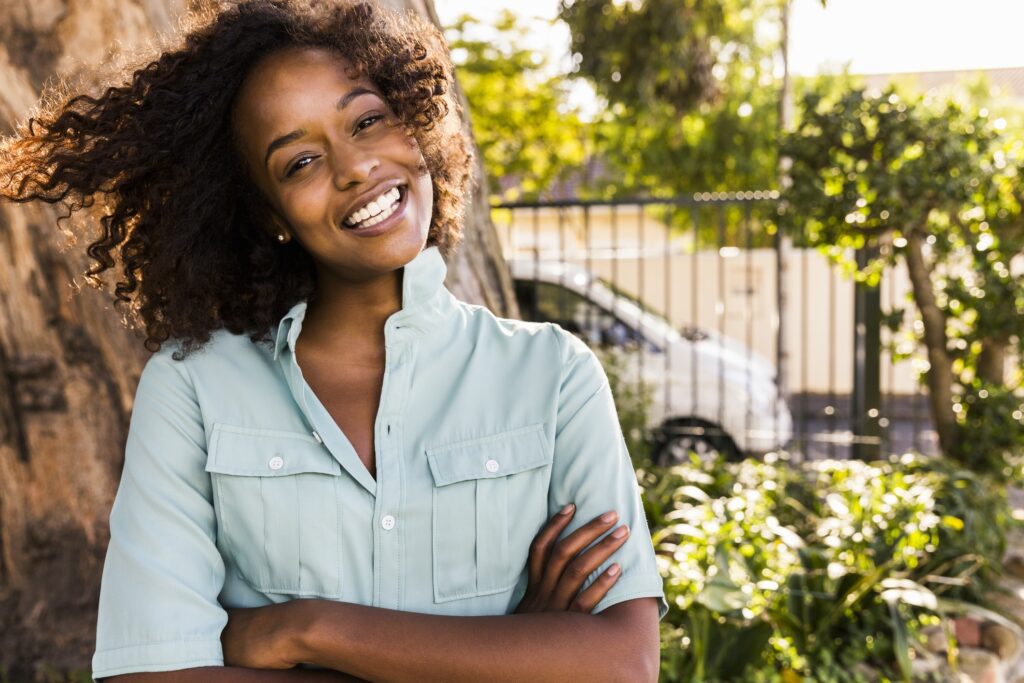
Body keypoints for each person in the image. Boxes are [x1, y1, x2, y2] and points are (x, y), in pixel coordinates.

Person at [0, 0, 668, 680]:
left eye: (368, 120)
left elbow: (622, 664)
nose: (354, 167)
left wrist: (305, 629)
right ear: (271, 212)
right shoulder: (193, 389)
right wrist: (506, 652)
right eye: (299, 163)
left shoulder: (552, 376)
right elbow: (147, 674)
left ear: (414, 122)